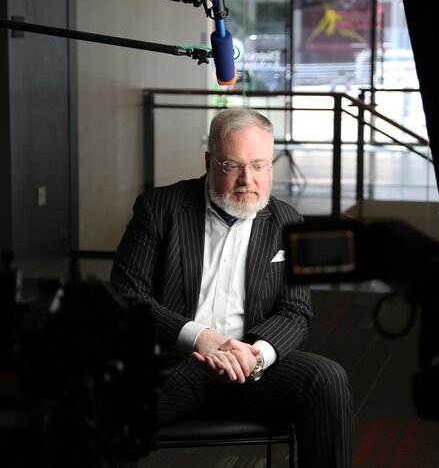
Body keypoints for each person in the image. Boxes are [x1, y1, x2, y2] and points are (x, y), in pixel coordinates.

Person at [110, 107, 353, 466]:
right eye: (233, 165)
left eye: (259, 165)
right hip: (175, 364)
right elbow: (126, 296)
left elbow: (295, 312)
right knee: (96, 408)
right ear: (209, 162)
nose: (247, 180)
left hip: (251, 369)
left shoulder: (287, 220)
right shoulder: (159, 208)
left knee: (327, 379)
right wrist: (199, 338)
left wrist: (256, 355)